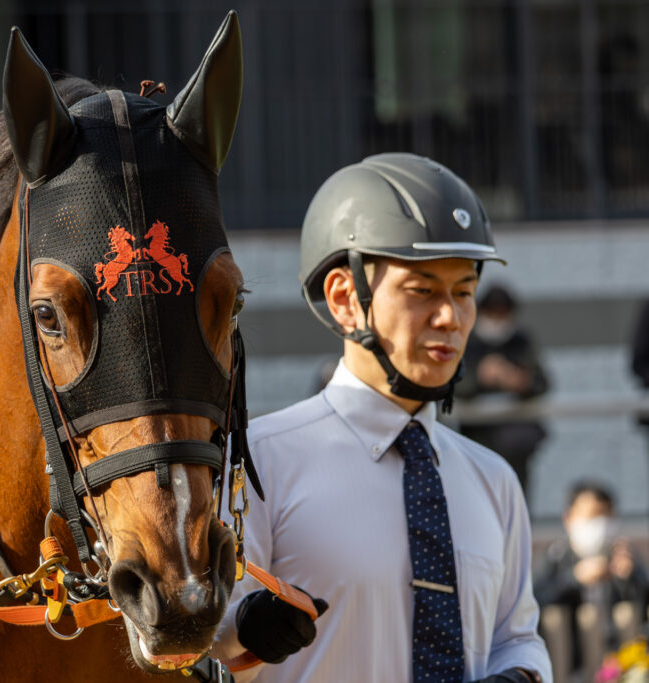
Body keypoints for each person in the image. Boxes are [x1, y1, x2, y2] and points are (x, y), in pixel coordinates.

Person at [213, 153, 551, 682]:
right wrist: (243, 635)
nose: (452, 317)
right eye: (423, 291)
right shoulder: (256, 464)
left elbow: (519, 637)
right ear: (345, 299)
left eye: (465, 292)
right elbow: (200, 651)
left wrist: (522, 674)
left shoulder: (495, 481)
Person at [534, 482, 649, 676]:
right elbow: (537, 600)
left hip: (616, 654)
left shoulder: (623, 555)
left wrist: (627, 579)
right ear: (568, 518)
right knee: (575, 616)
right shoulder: (557, 556)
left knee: (626, 612)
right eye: (591, 516)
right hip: (570, 658)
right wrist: (575, 578)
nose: (599, 524)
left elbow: (643, 603)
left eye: (605, 516)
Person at [456, 283, 549, 491]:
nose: (498, 320)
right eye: (492, 313)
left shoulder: (521, 340)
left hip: (517, 440)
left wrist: (519, 382)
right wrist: (480, 377)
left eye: (503, 314)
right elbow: (451, 386)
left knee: (516, 493)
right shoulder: (466, 340)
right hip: (477, 438)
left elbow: (542, 383)